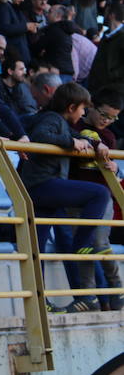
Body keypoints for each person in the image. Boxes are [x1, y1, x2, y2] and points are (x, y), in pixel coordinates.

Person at [19, 83, 111, 311]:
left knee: (36, 249)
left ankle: (41, 304)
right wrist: (71, 143)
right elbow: (42, 135)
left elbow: (79, 136)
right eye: (82, 109)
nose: (82, 114)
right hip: (42, 185)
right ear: (71, 107)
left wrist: (97, 144)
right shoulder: (51, 119)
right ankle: (81, 243)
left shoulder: (61, 122)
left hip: (39, 190)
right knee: (99, 193)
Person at [69, 86, 124, 311]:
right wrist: (94, 142)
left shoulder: (109, 137)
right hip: (76, 199)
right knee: (82, 247)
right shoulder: (74, 126)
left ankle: (116, 288)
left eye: (113, 118)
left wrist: (115, 169)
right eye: (104, 115)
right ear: (91, 107)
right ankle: (88, 295)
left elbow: (113, 169)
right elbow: (76, 136)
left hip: (103, 200)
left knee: (100, 244)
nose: (107, 121)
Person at [32, 5, 75, 83]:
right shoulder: (65, 30)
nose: (46, 14)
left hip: (56, 72)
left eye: (50, 12)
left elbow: (37, 48)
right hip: (67, 72)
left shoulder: (53, 29)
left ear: (58, 16)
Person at [88, 3, 124, 92]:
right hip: (98, 87)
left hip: (113, 90)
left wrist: (111, 75)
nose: (104, 15)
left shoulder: (122, 37)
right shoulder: (106, 35)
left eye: (106, 13)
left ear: (112, 15)